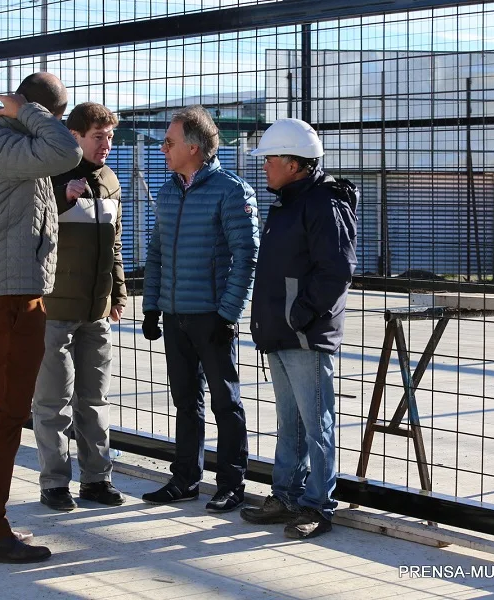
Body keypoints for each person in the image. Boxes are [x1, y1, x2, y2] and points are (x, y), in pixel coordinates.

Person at [0, 72, 82, 563]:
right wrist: (26, 112)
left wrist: (25, 115)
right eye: (57, 115)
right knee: (5, 417)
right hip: (5, 298)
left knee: (2, 413)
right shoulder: (0, 142)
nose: (55, 124)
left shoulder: (11, 143)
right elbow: (66, 152)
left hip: (14, 292)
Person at [239, 118, 358, 539]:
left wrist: (299, 314)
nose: (265, 165)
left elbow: (338, 269)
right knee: (289, 422)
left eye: (270, 158)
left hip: (304, 336)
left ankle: (318, 506)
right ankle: (286, 494)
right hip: (282, 332)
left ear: (294, 163)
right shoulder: (288, 202)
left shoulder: (323, 204)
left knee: (316, 423)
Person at [141, 105, 259, 512]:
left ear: (193, 146)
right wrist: (152, 306)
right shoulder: (169, 189)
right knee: (185, 399)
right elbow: (156, 252)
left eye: (169, 142)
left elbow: (247, 256)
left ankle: (231, 483)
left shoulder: (231, 190)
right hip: (175, 315)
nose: (162, 149)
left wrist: (228, 315)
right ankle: (185, 479)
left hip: (212, 317)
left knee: (225, 401)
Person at [32, 102, 127, 512]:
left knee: (94, 401)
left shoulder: (110, 181)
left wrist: (118, 295)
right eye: (98, 137)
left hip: (96, 312)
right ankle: (54, 484)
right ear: (75, 137)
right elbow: (30, 232)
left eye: (109, 137)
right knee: (53, 401)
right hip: (54, 311)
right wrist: (60, 199)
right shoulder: (49, 176)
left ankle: (96, 480)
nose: (105, 145)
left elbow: (115, 246)